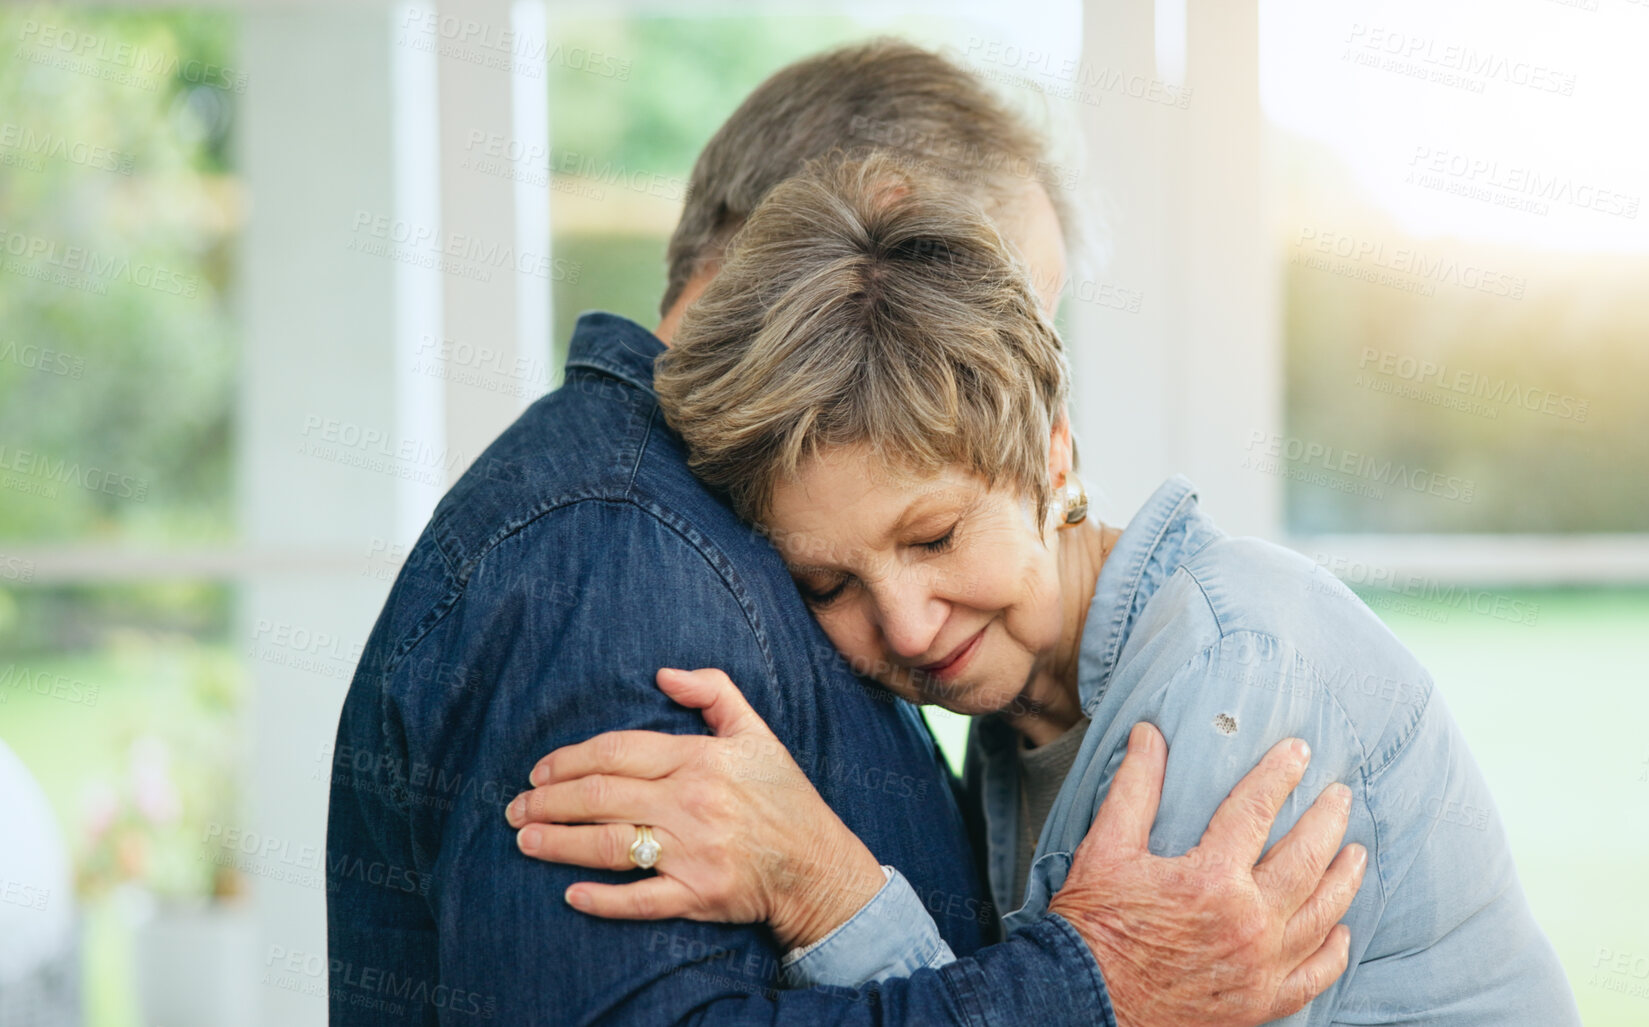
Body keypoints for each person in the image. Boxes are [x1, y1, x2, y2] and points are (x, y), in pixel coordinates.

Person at [326, 39, 1362, 1026]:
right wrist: (1095, 993)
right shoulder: (619, 552)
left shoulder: (720, 527)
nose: (1014, 380)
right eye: (992, 308)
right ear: (876, 243)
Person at [502, 153, 1583, 1024]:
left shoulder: (1231, 678)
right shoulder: (1022, 712)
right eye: (830, 583)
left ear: (1053, 457)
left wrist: (825, 883)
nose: (906, 626)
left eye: (934, 534)